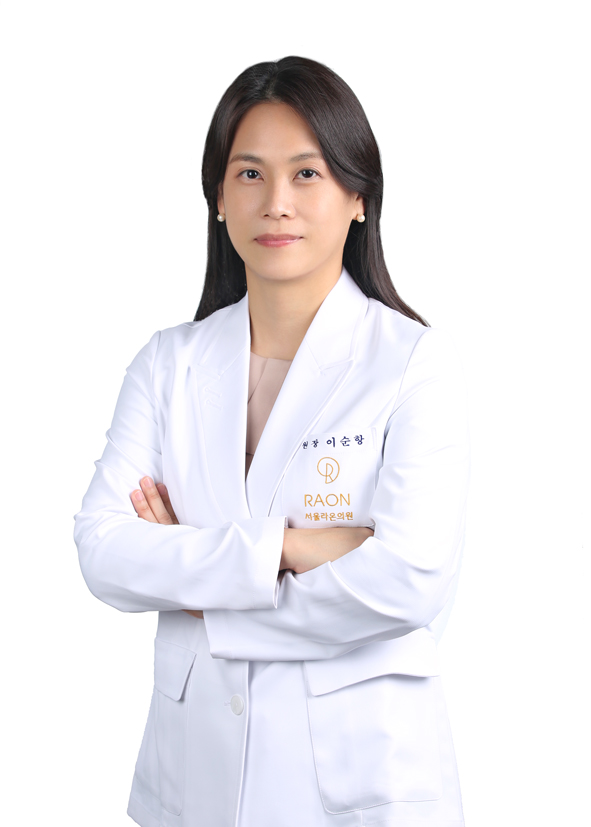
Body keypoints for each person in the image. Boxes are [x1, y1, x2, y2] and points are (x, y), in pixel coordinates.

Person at [74, 55, 470, 827]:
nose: (276, 203)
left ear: (358, 196)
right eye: (249, 174)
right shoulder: (168, 363)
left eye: (306, 174)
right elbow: (104, 549)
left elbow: (409, 579)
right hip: (192, 778)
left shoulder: (412, 362)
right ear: (218, 200)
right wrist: (288, 547)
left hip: (361, 782)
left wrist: (199, 585)